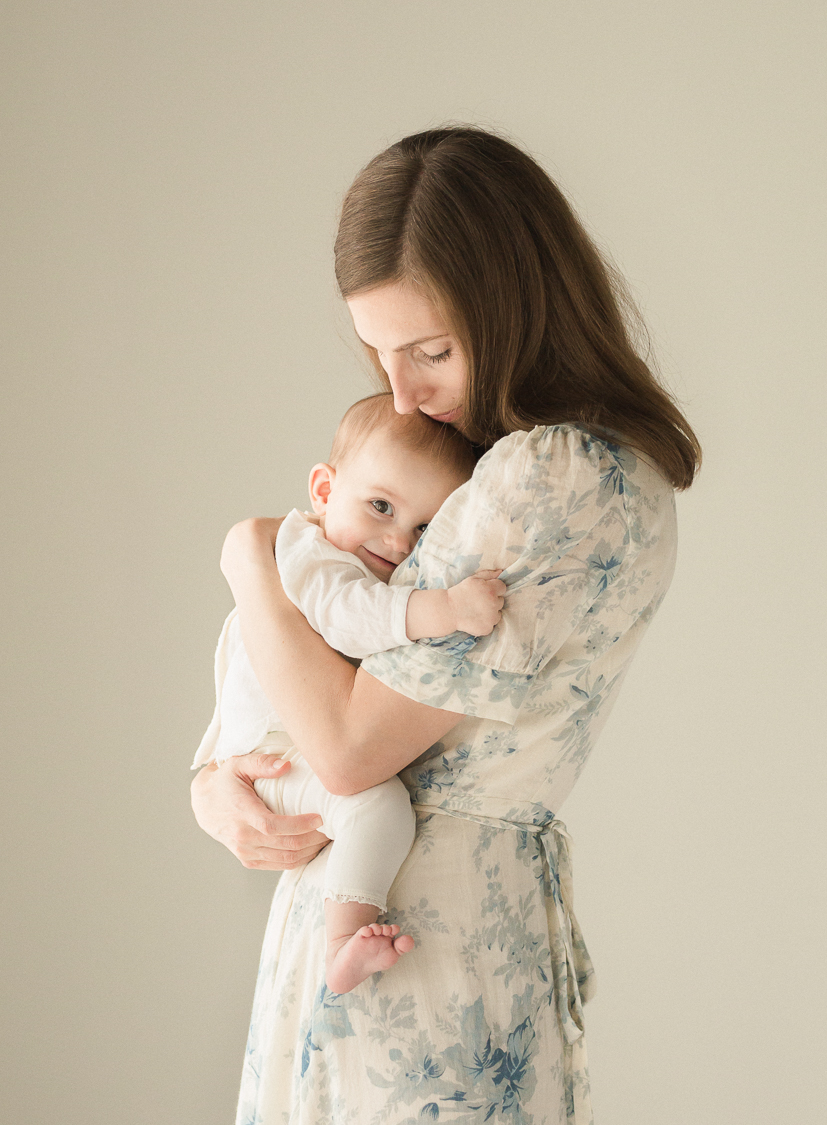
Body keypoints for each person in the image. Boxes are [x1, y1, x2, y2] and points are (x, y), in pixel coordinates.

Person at [191, 126, 701, 1124]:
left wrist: (252, 555)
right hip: (393, 936)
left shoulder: (553, 475)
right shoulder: (508, 466)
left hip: (421, 966)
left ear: (517, 305)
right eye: (380, 353)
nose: (402, 392)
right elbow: (315, 685)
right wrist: (217, 783)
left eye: (431, 350)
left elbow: (343, 747)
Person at [193, 393, 506, 993]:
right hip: (275, 759)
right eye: (380, 506)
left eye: (423, 528)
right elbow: (346, 617)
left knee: (376, 809)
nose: (396, 542)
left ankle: (342, 941)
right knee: (376, 807)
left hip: (284, 753)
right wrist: (442, 608)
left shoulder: (341, 554)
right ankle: (343, 944)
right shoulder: (308, 553)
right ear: (324, 489)